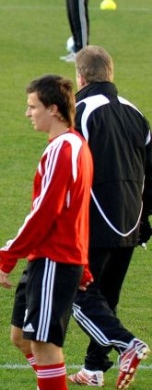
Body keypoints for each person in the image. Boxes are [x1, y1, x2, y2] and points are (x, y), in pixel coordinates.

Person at [0, 74, 93, 390]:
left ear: (53, 109)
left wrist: (9, 254)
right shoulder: (70, 146)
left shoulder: (63, 151)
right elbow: (75, 211)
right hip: (51, 257)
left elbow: (46, 212)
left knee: (44, 345)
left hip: (55, 258)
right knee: (21, 339)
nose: (28, 113)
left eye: (32, 106)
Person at [66, 46, 150, 388]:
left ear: (81, 77)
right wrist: (144, 219)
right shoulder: (135, 112)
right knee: (107, 295)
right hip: (132, 217)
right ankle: (94, 367)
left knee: (75, 291)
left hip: (95, 217)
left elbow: (71, 168)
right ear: (110, 73)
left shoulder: (80, 110)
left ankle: (127, 344)